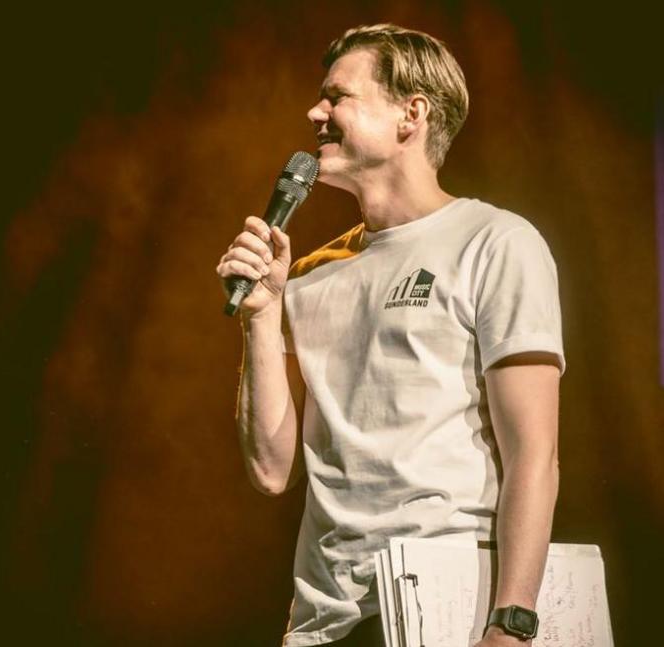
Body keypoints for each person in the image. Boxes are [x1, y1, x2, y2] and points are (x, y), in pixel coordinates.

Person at [217, 24, 564, 647]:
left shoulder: (495, 243)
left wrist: (511, 624)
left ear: (412, 114)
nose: (314, 112)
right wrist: (262, 316)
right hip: (324, 621)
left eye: (337, 96)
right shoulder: (307, 276)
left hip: (449, 605)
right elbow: (271, 471)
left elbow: (533, 454)